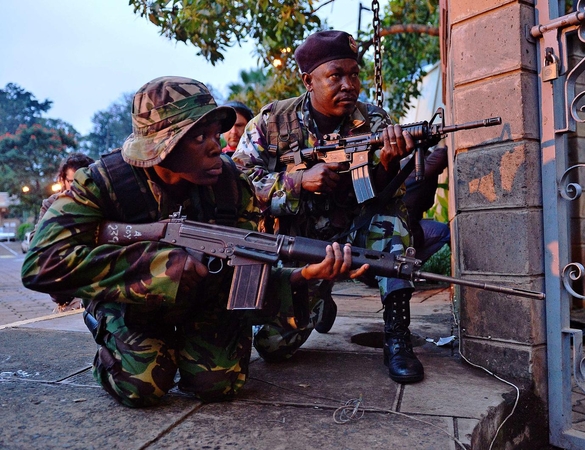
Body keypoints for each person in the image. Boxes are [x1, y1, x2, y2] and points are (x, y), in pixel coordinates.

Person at [22, 76, 366, 408]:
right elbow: (41, 264)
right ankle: (110, 330)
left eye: (215, 134)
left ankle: (177, 342)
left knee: (218, 384)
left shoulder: (231, 185)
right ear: (162, 147)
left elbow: (245, 277)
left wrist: (303, 277)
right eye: (200, 137)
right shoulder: (103, 182)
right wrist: (158, 269)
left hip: (204, 297)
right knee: (142, 387)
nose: (217, 146)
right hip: (129, 302)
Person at [232, 30, 424, 383]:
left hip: (353, 229)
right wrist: (298, 182)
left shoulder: (374, 121)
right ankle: (320, 298)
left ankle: (398, 337)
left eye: (354, 74)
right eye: (336, 76)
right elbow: (238, 181)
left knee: (390, 222)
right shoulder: (271, 122)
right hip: (299, 245)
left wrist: (387, 165)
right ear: (309, 80)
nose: (349, 85)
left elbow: (383, 196)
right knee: (274, 348)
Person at [35, 152, 95, 312]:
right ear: (63, 180)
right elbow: (37, 243)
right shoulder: (52, 204)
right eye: (72, 181)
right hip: (68, 289)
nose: (78, 186)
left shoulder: (102, 202)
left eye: (83, 181)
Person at [402, 145, 451, 263]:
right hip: (403, 230)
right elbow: (441, 156)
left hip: (390, 229)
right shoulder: (414, 167)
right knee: (444, 232)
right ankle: (408, 268)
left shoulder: (401, 164)